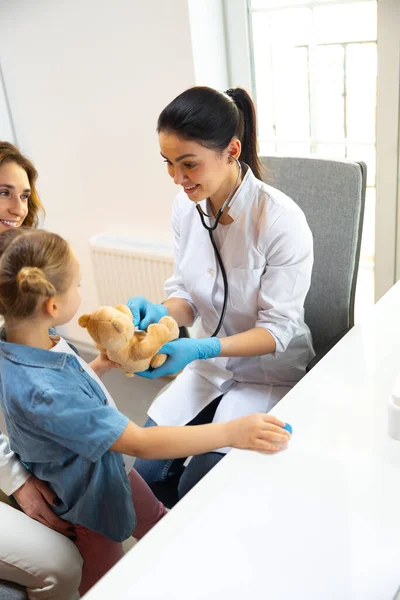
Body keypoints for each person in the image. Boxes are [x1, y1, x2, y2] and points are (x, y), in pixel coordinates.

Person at [0, 227, 291, 595]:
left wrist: (100, 365)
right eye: (77, 286)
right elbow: (139, 442)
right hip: (88, 499)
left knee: (157, 521)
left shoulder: (19, 345)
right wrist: (233, 433)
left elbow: (63, 400)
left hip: (109, 469)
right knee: (107, 578)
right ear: (53, 306)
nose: (81, 292)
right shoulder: (44, 390)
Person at [128, 86, 314, 507]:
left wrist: (200, 346)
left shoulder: (281, 221)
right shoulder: (185, 207)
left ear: (231, 150)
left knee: (202, 490)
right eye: (169, 164)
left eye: (188, 164)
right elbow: (186, 296)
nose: (178, 178)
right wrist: (162, 314)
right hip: (207, 370)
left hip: (268, 375)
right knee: (145, 478)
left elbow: (279, 330)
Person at [0, 141, 83, 600]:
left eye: (25, 195)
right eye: (4, 193)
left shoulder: (14, 267)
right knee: (62, 563)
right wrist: (18, 482)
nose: (17, 209)